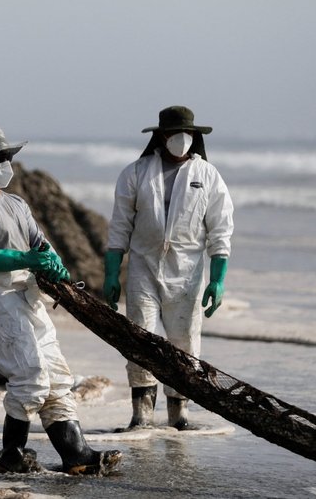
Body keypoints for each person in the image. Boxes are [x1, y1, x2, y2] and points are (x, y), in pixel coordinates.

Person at [0, 127, 122, 476]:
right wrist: (29, 260)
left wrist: (53, 262)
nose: (5, 164)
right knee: (31, 375)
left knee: (56, 376)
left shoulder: (16, 204)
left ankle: (77, 455)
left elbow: (40, 244)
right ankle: (12, 453)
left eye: (8, 157)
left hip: (25, 295)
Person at [103, 106, 234, 431]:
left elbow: (221, 230)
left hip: (187, 273)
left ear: (196, 137)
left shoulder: (208, 176)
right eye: (175, 133)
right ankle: (142, 415)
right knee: (140, 339)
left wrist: (217, 280)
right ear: (160, 136)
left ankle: (179, 415)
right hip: (143, 270)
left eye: (188, 134)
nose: (181, 140)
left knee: (184, 343)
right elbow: (119, 226)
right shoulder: (136, 173)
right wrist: (110, 273)